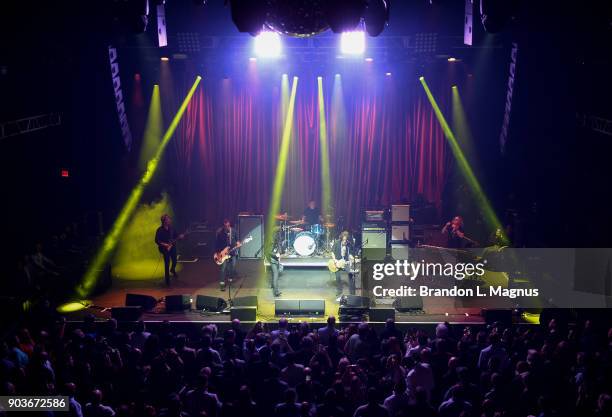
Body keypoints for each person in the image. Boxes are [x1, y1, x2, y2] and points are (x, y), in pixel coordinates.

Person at [155, 214, 184, 286]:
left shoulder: (172, 228)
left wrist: (180, 237)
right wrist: (165, 245)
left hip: (172, 247)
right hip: (164, 249)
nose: (169, 220)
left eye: (169, 219)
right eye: (168, 219)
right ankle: (167, 281)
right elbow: (157, 240)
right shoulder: (159, 230)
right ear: (164, 221)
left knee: (175, 260)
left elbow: (176, 236)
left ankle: (172, 269)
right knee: (167, 263)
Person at [215, 219, 239, 291]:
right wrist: (218, 253)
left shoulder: (234, 231)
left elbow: (237, 240)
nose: (227, 227)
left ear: (230, 225)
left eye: (228, 226)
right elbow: (217, 243)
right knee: (223, 268)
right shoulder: (221, 232)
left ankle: (230, 281)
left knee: (232, 267)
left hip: (232, 252)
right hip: (224, 253)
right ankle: (222, 284)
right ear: (224, 226)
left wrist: (238, 244)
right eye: (225, 226)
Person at [331, 231, 355, 296]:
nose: (345, 241)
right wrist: (335, 260)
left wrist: (351, 258)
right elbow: (332, 252)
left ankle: (352, 292)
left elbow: (350, 253)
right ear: (341, 238)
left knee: (350, 275)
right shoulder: (337, 243)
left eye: (346, 239)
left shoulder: (348, 244)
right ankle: (339, 290)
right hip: (338, 262)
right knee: (338, 277)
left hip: (346, 262)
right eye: (343, 239)